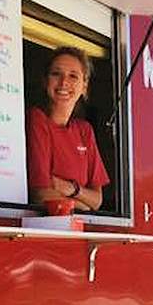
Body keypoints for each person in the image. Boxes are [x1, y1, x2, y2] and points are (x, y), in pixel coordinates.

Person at [26, 46, 109, 212]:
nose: (64, 82)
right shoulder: (36, 119)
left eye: (73, 76)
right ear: (45, 81)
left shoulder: (85, 130)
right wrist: (84, 204)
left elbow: (97, 200)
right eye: (56, 74)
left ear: (84, 86)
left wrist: (72, 188)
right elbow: (41, 194)